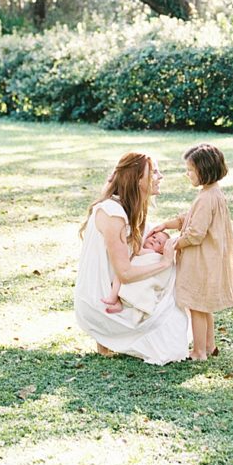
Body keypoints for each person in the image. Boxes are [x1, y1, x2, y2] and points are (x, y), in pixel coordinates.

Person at [74, 152, 190, 364]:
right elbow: (125, 273)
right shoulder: (113, 213)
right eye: (154, 172)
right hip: (102, 302)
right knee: (164, 265)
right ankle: (109, 330)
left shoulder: (130, 206)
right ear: (137, 180)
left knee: (168, 262)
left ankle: (116, 333)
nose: (160, 176)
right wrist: (165, 261)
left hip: (117, 291)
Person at [152, 143, 233, 361]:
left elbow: (195, 233)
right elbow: (187, 217)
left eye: (190, 170)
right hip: (208, 258)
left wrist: (172, 244)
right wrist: (166, 225)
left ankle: (199, 351)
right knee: (204, 305)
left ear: (204, 170)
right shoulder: (211, 193)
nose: (187, 174)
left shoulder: (207, 197)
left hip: (201, 260)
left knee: (196, 306)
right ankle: (210, 345)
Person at [101, 229, 172, 316]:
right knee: (118, 277)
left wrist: (139, 239)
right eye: (153, 237)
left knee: (118, 277)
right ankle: (118, 302)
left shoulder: (152, 253)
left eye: (159, 243)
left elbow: (138, 251)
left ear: (161, 251)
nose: (154, 240)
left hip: (136, 276)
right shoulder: (148, 249)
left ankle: (113, 297)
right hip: (129, 272)